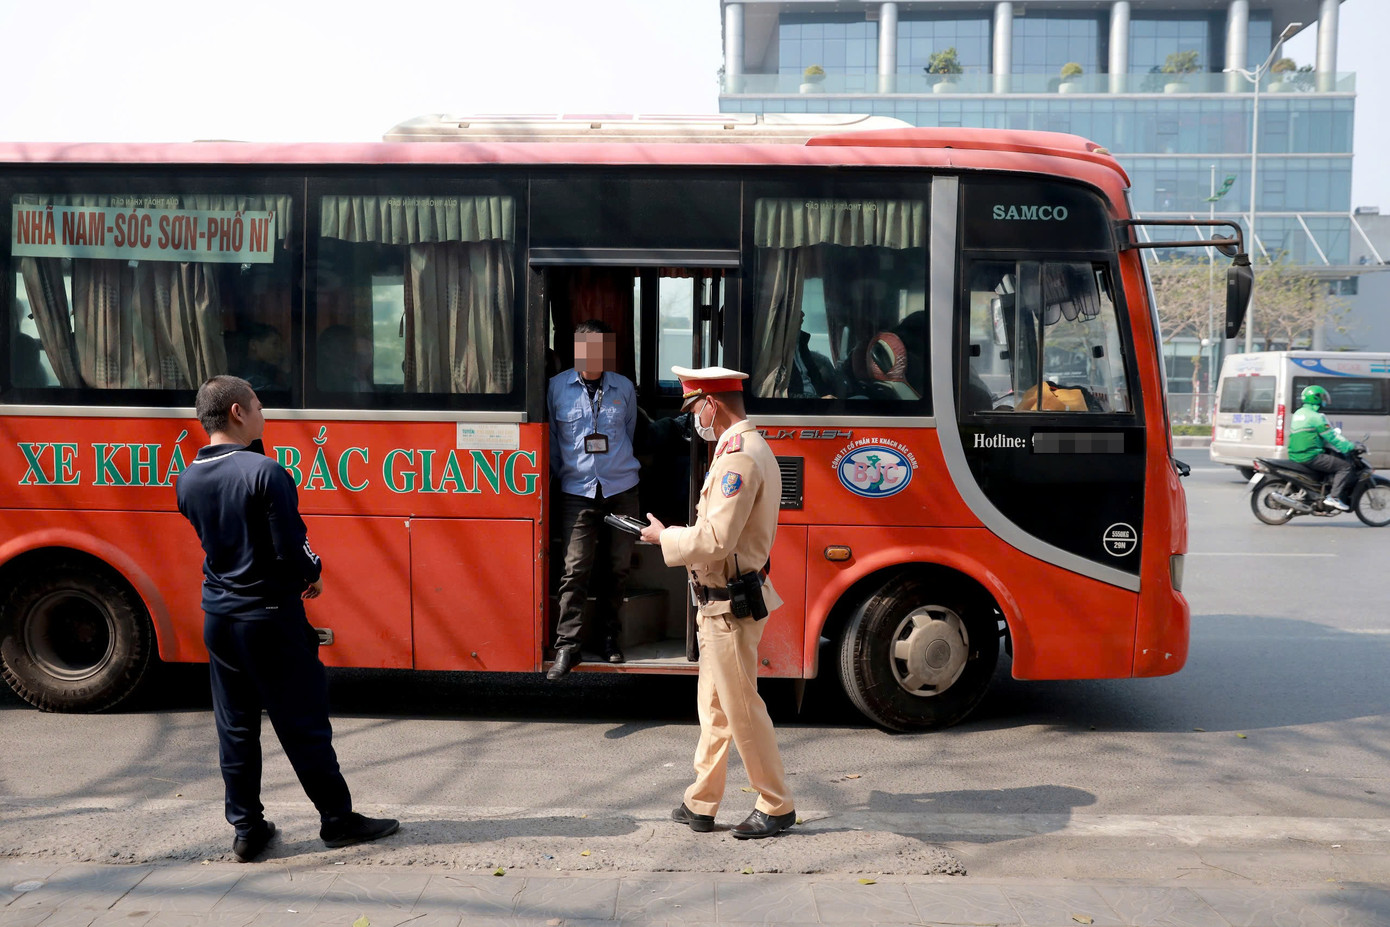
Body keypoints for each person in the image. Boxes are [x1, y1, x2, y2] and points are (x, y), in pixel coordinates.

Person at [175, 375, 399, 862]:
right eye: (258, 405)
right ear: (237, 412)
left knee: (235, 727)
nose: (264, 414)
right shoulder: (265, 471)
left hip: (218, 617)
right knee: (302, 722)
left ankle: (247, 829)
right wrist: (313, 573)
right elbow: (292, 547)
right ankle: (337, 819)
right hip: (270, 618)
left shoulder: (187, 478)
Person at [639, 366, 796, 840]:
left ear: (711, 404)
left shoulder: (738, 459)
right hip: (721, 604)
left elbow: (716, 539)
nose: (694, 420)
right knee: (716, 708)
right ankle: (701, 801)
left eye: (695, 409)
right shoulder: (742, 449)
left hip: (729, 607)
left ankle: (776, 804)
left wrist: (665, 537)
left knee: (741, 708)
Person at [547, 319, 641, 678]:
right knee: (575, 569)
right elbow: (553, 443)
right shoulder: (556, 388)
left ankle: (609, 638)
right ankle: (567, 646)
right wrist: (566, 475)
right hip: (577, 490)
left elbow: (629, 432)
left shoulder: (623, 387)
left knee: (617, 568)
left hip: (621, 488)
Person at [1288, 383, 1357, 511]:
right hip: (1310, 455)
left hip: (1295, 454)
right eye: (1322, 397)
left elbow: (1311, 435)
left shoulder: (1299, 413)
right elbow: (1331, 436)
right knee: (1344, 467)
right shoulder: (1316, 417)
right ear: (1316, 398)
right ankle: (1334, 497)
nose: (1324, 400)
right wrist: (1349, 446)